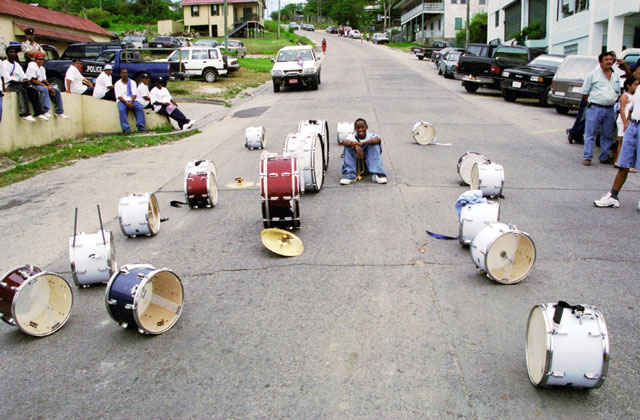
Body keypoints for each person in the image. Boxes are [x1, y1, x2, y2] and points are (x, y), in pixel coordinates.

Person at [593, 82, 640, 212]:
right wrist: (628, 123)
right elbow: (632, 108)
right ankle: (613, 196)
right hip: (634, 126)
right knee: (623, 164)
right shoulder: (639, 88)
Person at [567, 51, 631, 145]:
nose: (611, 60)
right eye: (608, 58)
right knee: (585, 118)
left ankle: (576, 133)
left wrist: (624, 65)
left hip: (607, 101)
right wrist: (591, 100)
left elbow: (630, 75)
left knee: (603, 126)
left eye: (613, 58)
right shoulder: (599, 69)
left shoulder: (615, 70)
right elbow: (587, 90)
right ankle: (574, 133)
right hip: (593, 98)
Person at [580, 51, 620, 166]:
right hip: (595, 108)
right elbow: (585, 92)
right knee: (590, 133)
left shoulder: (616, 75)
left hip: (609, 109)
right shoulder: (593, 75)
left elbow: (617, 92)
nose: (609, 62)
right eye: (606, 60)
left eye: (610, 59)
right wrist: (593, 101)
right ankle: (587, 156)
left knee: (607, 134)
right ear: (600, 62)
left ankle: (605, 156)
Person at [339, 117, 387, 185]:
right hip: (356, 165)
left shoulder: (371, 136)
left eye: (362, 127)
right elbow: (344, 141)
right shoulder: (351, 136)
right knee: (348, 146)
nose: (360, 130)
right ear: (355, 129)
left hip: (368, 165)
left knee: (374, 144)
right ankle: (350, 175)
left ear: (366, 127)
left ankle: (377, 174)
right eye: (358, 128)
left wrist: (363, 143)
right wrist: (355, 145)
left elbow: (378, 140)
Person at [2, 45, 43, 122]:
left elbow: (23, 76)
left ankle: (38, 112)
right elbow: (8, 79)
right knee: (22, 90)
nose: (13, 54)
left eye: (14, 52)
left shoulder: (16, 65)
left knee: (33, 90)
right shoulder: (3, 64)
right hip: (8, 85)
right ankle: (24, 113)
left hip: (18, 83)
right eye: (11, 52)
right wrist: (22, 82)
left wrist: (26, 80)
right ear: (7, 53)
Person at [26, 51, 68, 119]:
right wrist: (46, 87)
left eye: (42, 59)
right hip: (32, 85)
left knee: (56, 90)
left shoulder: (42, 68)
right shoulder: (32, 67)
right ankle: (45, 110)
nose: (41, 61)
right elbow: (33, 80)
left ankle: (59, 111)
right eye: (39, 59)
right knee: (44, 89)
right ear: (35, 60)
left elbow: (44, 80)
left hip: (40, 84)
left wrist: (49, 87)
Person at [615, 76, 638, 172]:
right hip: (623, 121)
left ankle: (627, 163)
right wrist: (625, 122)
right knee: (622, 141)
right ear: (628, 86)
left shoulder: (635, 95)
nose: (637, 86)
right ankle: (618, 161)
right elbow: (622, 110)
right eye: (635, 84)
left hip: (629, 121)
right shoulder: (625, 96)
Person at [114, 69, 145, 133]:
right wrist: (126, 103)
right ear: (120, 74)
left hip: (132, 100)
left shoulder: (132, 82)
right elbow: (118, 96)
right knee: (122, 109)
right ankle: (126, 129)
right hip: (122, 101)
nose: (124, 74)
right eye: (123, 73)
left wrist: (131, 102)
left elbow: (134, 94)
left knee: (139, 107)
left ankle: (141, 127)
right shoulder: (117, 83)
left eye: (126, 73)